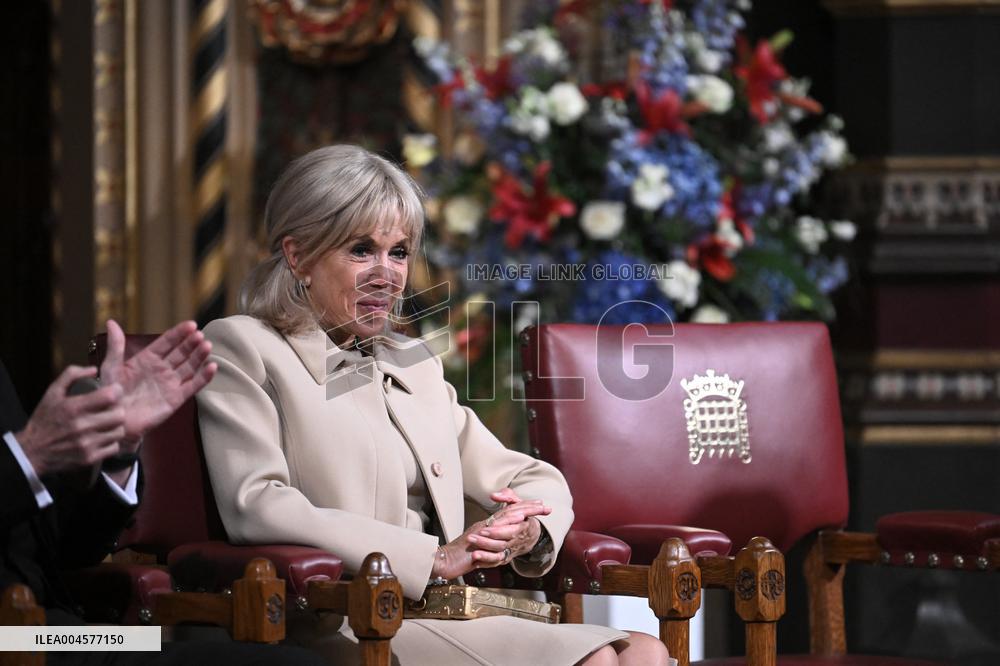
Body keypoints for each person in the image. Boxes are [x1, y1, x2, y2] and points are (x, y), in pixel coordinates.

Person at [196, 145, 672, 665]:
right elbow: (257, 504)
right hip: (342, 617)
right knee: (600, 659)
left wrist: (527, 529)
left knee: (646, 651)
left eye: (398, 252)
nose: (387, 274)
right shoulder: (244, 346)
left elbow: (531, 479)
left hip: (437, 612)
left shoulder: (410, 362)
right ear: (298, 256)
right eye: (361, 249)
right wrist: (435, 558)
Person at [0, 320, 327, 666]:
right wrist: (29, 456)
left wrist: (121, 452)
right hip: (26, 637)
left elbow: (66, 551)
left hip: (53, 631)